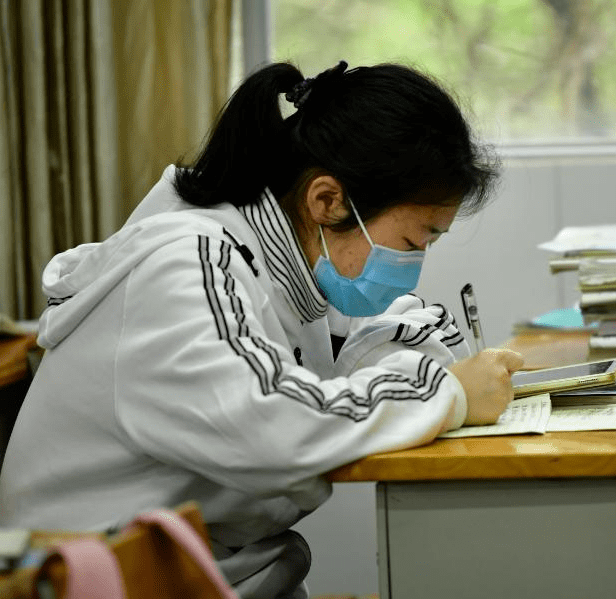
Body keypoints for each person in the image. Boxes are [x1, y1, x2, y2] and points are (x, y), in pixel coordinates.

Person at [0, 61, 523, 598]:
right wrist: (451, 393)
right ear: (327, 201)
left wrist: (435, 377)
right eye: (414, 244)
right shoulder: (186, 265)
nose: (415, 264)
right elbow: (274, 425)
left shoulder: (302, 261)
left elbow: (403, 332)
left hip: (222, 577)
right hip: (106, 582)